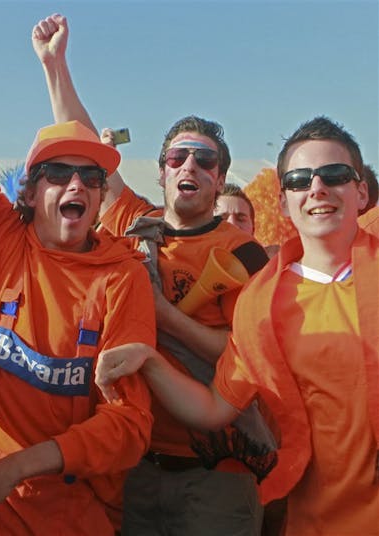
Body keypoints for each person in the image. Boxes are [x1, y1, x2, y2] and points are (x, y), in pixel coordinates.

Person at [32, 13, 270, 535]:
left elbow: (245, 356)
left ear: (220, 178)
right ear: (161, 170)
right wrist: (55, 66)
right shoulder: (134, 222)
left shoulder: (245, 254)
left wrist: (165, 316)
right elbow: (86, 147)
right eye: (177, 157)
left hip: (213, 473)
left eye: (204, 160)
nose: (190, 166)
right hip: (136, 466)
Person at [0, 2, 156, 534]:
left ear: (101, 199)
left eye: (92, 178)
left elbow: (129, 426)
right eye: (58, 173)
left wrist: (20, 467)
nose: (77, 185)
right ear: (29, 193)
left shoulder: (122, 277)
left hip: (69, 511)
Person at [96, 116, 379, 535]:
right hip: (311, 519)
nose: (317, 188)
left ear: (361, 193)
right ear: (283, 202)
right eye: (300, 180)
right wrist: (148, 360)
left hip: (223, 480)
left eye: (334, 175)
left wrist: (165, 319)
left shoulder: (243, 256)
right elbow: (214, 406)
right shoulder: (260, 304)